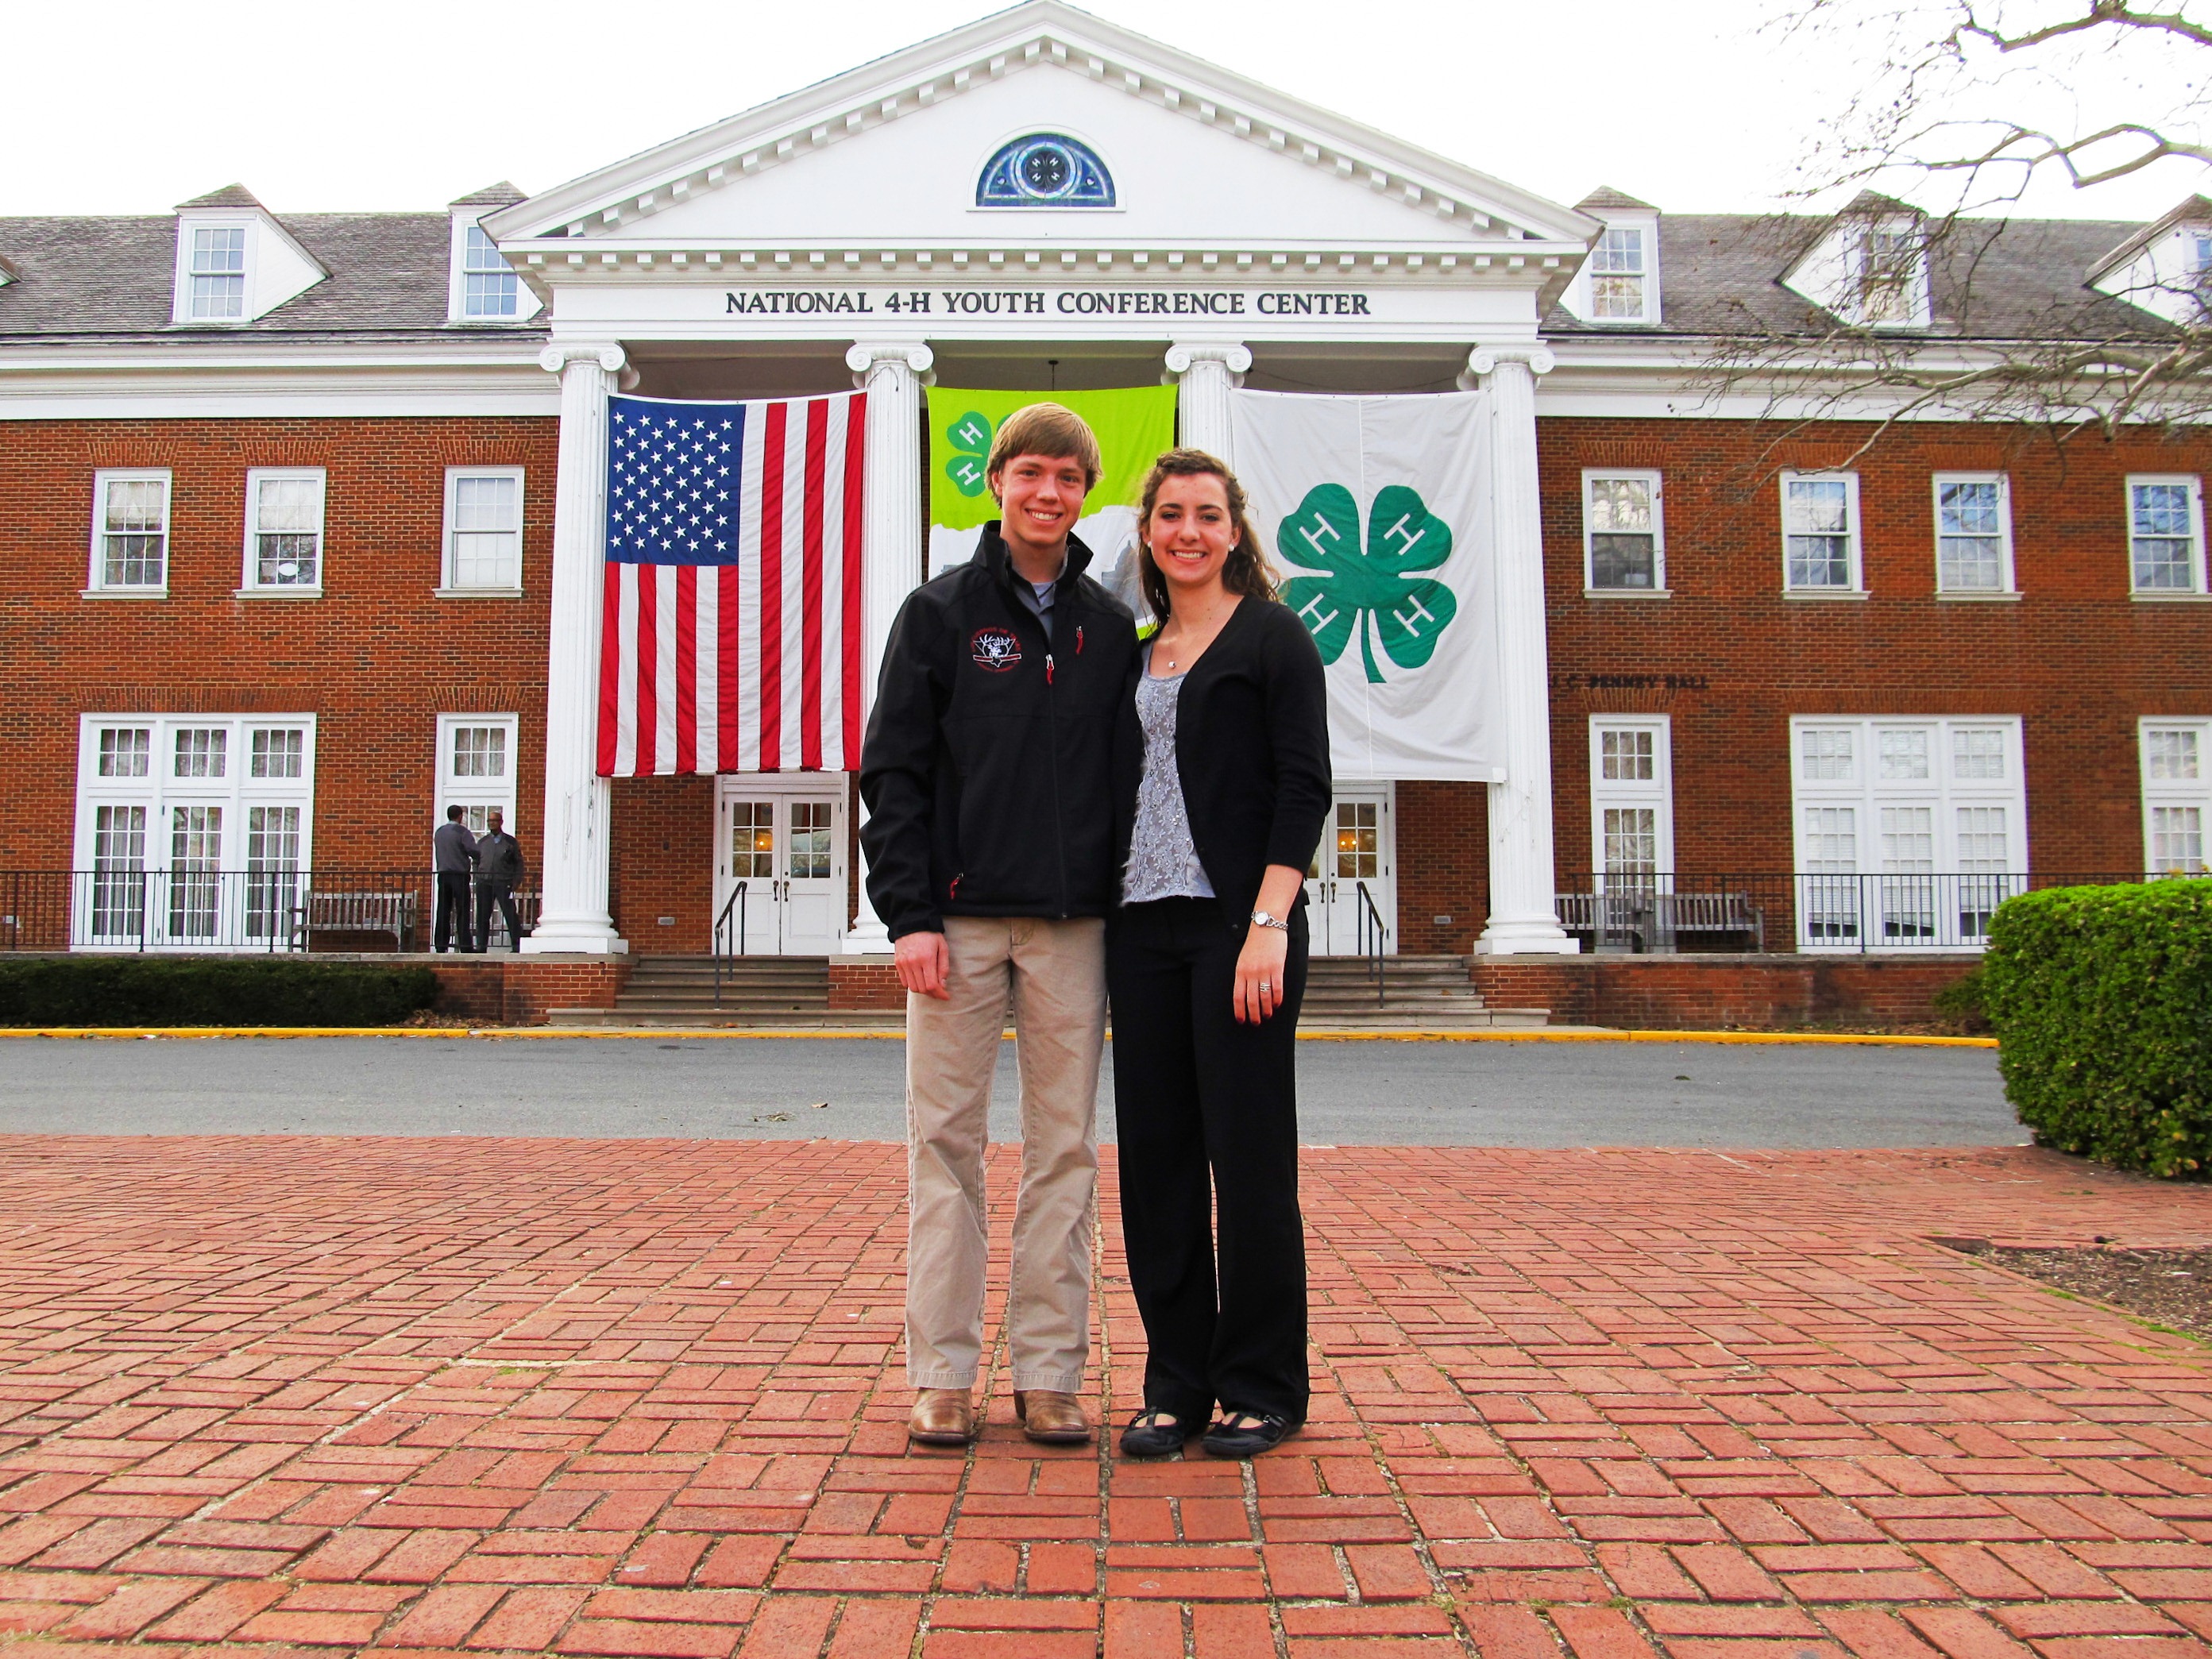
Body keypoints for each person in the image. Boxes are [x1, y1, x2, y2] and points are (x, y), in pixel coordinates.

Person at [859, 403, 1139, 1449]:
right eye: (1030, 473)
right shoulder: (937, 614)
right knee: (947, 1148)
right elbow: (894, 774)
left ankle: (1050, 1373)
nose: (1047, 493)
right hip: (958, 930)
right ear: (997, 485)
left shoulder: (1107, 630)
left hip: (1073, 930)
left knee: (1065, 1151)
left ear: (1083, 493)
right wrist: (908, 914)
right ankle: (940, 1374)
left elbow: (1130, 780)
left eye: (1068, 478)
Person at [1107, 448, 1330, 1460]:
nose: (1186, 531)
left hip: (1240, 931)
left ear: (1234, 530)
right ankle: (1177, 1383)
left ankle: (1263, 1384)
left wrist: (1268, 923)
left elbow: (1302, 787)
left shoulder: (1275, 640)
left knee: (1245, 1165)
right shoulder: (1135, 652)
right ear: (1148, 534)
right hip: (1139, 931)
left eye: (1205, 514)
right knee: (1156, 1167)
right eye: (1168, 515)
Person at [473, 809, 527, 953]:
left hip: (504, 882)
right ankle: (481, 946)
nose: (491, 823)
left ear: (501, 822)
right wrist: (478, 875)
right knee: (483, 915)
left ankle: (517, 945)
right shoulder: (483, 842)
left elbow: (518, 862)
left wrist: (516, 881)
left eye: (494, 821)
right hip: (484, 882)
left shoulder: (510, 842)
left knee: (510, 914)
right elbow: (476, 860)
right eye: (489, 821)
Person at [431, 804, 477, 954]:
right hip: (459, 875)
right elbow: (472, 851)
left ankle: (440, 944)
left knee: (443, 910)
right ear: (460, 816)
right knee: (463, 911)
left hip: (443, 875)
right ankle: (465, 945)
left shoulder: (439, 832)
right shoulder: (462, 832)